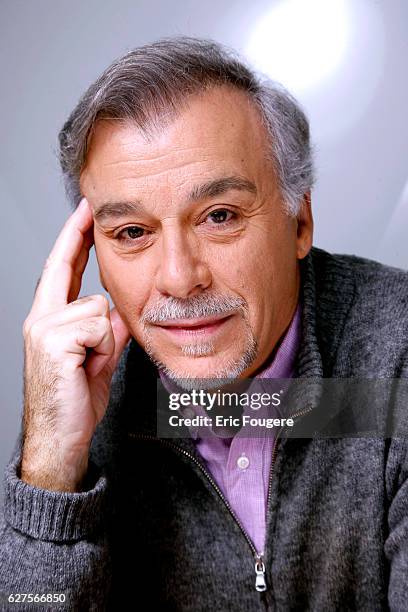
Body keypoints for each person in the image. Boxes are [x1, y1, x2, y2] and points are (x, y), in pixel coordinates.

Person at [0, 36, 407, 611]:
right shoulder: (80, 410)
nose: (178, 278)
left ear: (299, 223)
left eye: (219, 217)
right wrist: (49, 472)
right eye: (132, 232)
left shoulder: (400, 357)